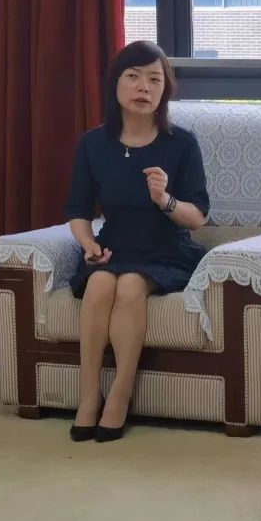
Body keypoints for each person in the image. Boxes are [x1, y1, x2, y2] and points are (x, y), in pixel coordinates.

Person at [65, 41, 210, 443]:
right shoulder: (93, 144)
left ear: (165, 90)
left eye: (154, 79)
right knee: (99, 283)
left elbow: (197, 217)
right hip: (114, 245)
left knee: (130, 285)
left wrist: (165, 200)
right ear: (116, 84)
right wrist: (88, 245)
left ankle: (120, 395)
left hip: (166, 249)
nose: (144, 87)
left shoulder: (181, 143)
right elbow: (78, 210)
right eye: (133, 77)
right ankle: (88, 396)